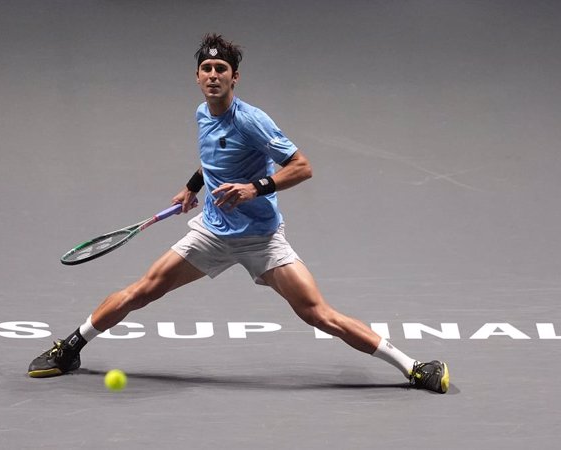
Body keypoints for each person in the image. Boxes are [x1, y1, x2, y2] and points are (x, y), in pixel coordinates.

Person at [28, 33, 450, 393]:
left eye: (221, 69)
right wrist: (193, 188)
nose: (213, 75)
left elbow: (302, 167)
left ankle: (413, 368)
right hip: (211, 234)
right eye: (207, 68)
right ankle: (70, 348)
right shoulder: (201, 113)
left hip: (262, 240)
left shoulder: (251, 120)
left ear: (235, 77)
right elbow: (213, 161)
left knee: (318, 314)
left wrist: (254, 188)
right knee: (142, 290)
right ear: (197, 77)